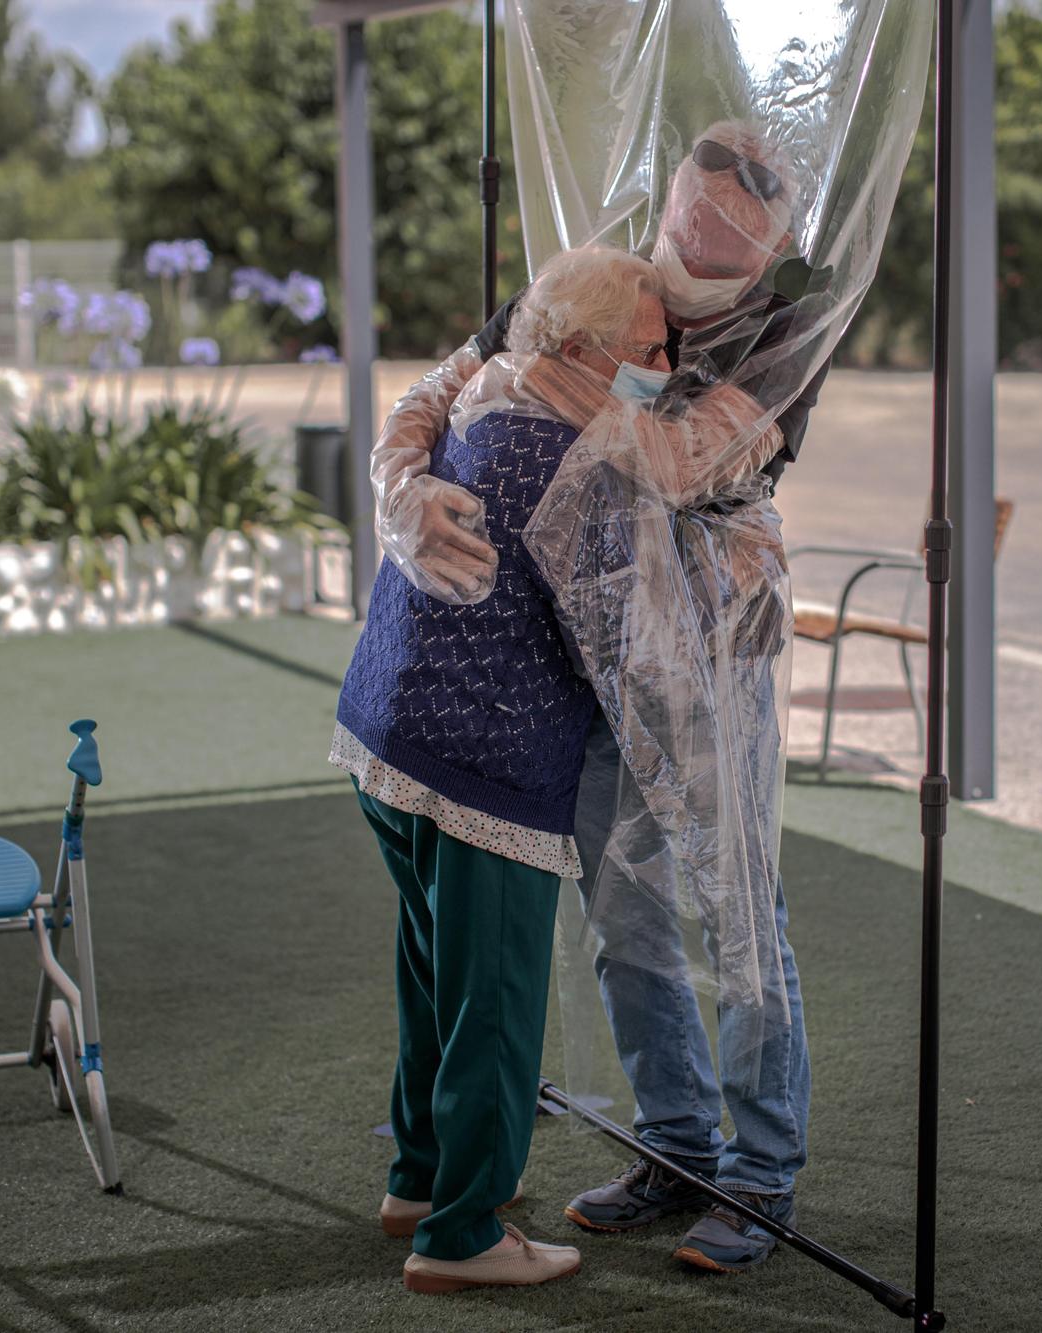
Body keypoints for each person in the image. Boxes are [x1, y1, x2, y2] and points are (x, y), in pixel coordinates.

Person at [369, 119, 824, 1274]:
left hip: (706, 652)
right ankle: (673, 1148)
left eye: (749, 199)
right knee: (623, 918)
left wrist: (541, 378)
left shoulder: (792, 321)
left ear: (777, 233)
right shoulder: (607, 280)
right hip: (590, 661)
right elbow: (439, 382)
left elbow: (678, 461)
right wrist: (403, 482)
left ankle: (760, 1171)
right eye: (702, 184)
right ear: (674, 189)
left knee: (738, 917)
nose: (722, 199)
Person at [331, 246, 673, 1294]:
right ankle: (464, 1231)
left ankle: (419, 1177)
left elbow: (416, 410)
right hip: (488, 762)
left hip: (388, 729)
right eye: (649, 349)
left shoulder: (486, 388)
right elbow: (617, 637)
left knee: (432, 970)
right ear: (580, 349)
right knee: (495, 996)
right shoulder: (574, 461)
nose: (665, 366)